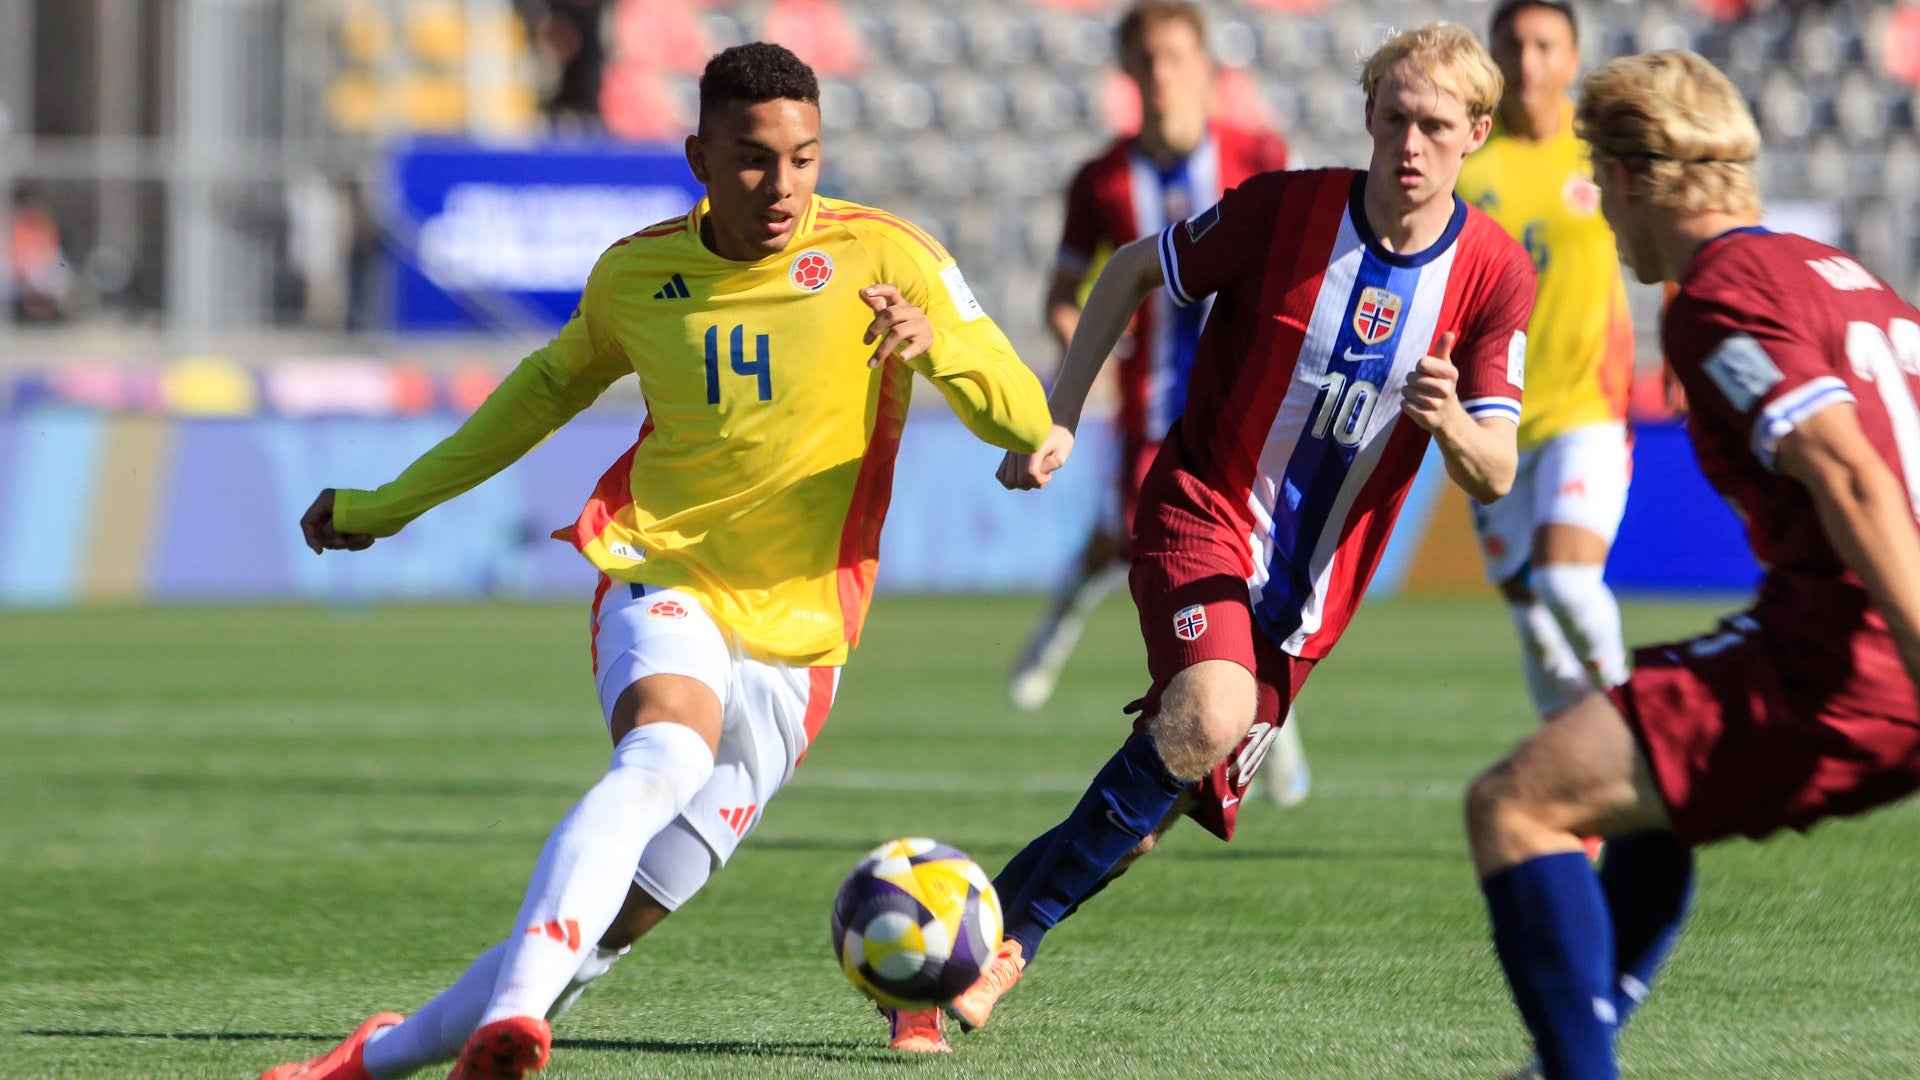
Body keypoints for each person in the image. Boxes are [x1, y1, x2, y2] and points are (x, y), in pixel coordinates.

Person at [258, 42, 1049, 1080]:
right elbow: (536, 397)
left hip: (803, 639)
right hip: (662, 566)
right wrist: (390, 505)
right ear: (700, 157)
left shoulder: (890, 257)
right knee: (664, 754)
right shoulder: (638, 274)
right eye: (755, 159)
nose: (783, 186)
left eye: (804, 159)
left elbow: (1025, 420)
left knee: (620, 923)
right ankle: (522, 1017)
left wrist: (932, 343)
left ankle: (378, 1058)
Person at [885, 23, 1536, 1048]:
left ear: (1478, 133)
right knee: (1209, 708)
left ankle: (958, 947)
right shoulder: (1286, 211)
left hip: (1309, 592)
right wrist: (1057, 414)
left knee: (1159, 794)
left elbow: (1495, 468)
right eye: (1396, 118)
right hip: (1200, 511)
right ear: (1370, 115)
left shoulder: (1495, 276)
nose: (1412, 143)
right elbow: (1126, 274)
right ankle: (1006, 950)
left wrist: (1450, 418)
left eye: (1437, 126)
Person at [1466, 50, 1920, 1080]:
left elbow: (1847, 471)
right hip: (1867, 638)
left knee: (1516, 802)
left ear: (1627, 179)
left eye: (1598, 178)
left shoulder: (1721, 293)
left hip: (1856, 653)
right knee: (1637, 771)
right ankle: (1573, 1052)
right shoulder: (1842, 279)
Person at [1009, 0, 1313, 809]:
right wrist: (1083, 356)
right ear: (1128, 71)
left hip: (1251, 407)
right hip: (1150, 412)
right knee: (1131, 547)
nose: (1162, 73)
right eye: (1146, 58)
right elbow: (1063, 295)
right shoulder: (1103, 180)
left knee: (1255, 571)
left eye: (1176, 56)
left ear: (1205, 66)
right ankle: (1063, 634)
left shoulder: (1258, 155)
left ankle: (1255, 727)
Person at [1455, 0, 1635, 723]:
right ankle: (1580, 794)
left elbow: (1673, 226)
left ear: (1571, 56)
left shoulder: (1602, 150)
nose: (1527, 62)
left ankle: (1634, 725)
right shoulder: (1465, 158)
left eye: (1543, 45)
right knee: (1532, 617)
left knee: (1565, 583)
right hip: (1489, 418)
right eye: (1512, 45)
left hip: (1586, 408)